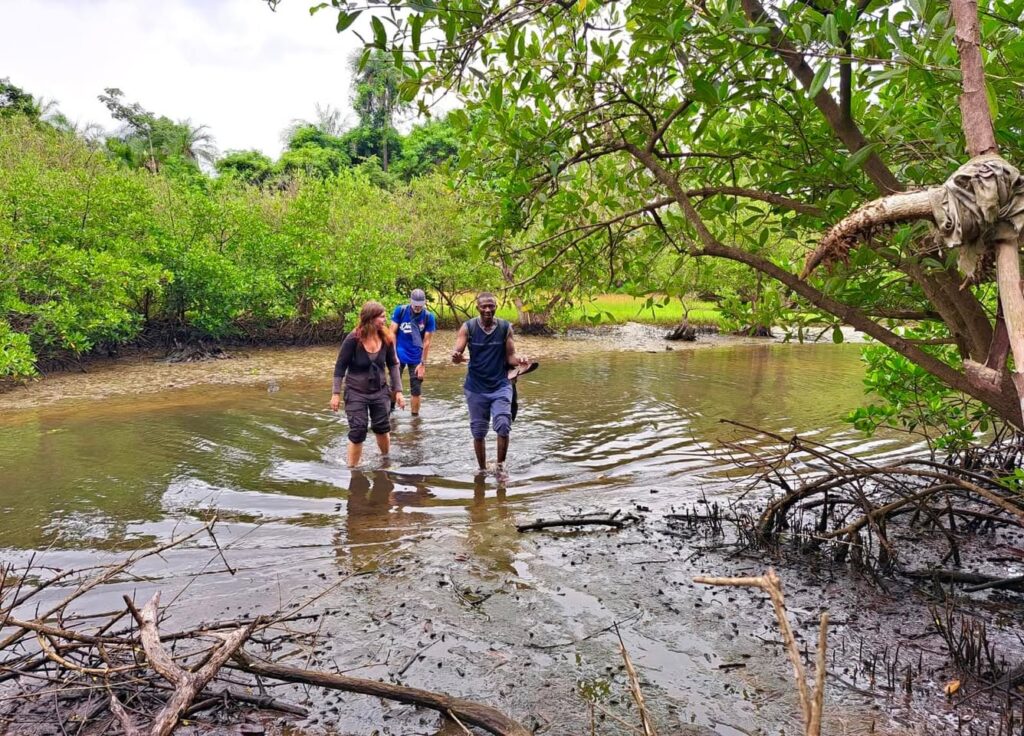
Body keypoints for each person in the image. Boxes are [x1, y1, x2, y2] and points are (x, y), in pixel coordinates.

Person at [451, 292, 529, 474]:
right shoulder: (467, 327)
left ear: (496, 307)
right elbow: (457, 354)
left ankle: (501, 467)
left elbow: (510, 357)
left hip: (501, 385)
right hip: (476, 388)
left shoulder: (504, 327)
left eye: (491, 306)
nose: (487, 310)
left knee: (503, 425)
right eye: (484, 306)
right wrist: (456, 357)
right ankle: (482, 469)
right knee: (478, 432)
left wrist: (521, 361)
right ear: (477, 307)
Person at [330, 301, 406, 468]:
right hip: (356, 392)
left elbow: (393, 364)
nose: (385, 320)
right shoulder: (353, 339)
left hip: (379, 391)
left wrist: (398, 391)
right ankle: (353, 469)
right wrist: (335, 394)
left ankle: (385, 460)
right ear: (370, 319)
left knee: (382, 428)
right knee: (358, 430)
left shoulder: (386, 338)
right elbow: (340, 367)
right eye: (382, 317)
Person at [390, 288, 437, 416]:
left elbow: (427, 342)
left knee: (416, 389)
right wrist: (393, 355)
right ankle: (390, 411)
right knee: (394, 385)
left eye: (420, 305)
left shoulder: (428, 317)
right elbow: (391, 333)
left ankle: (415, 421)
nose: (417, 307)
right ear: (411, 301)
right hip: (398, 353)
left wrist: (423, 364)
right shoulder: (401, 311)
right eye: (415, 305)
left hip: (416, 356)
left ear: (424, 302)